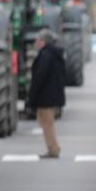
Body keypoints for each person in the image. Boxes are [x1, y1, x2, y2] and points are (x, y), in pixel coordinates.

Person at [26, 30, 67, 159]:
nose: (36, 42)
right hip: (51, 94)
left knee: (47, 123)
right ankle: (52, 147)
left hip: (45, 96)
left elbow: (39, 77)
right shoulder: (54, 54)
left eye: (38, 40)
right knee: (46, 122)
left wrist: (32, 95)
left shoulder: (45, 55)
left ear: (43, 41)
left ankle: (53, 149)